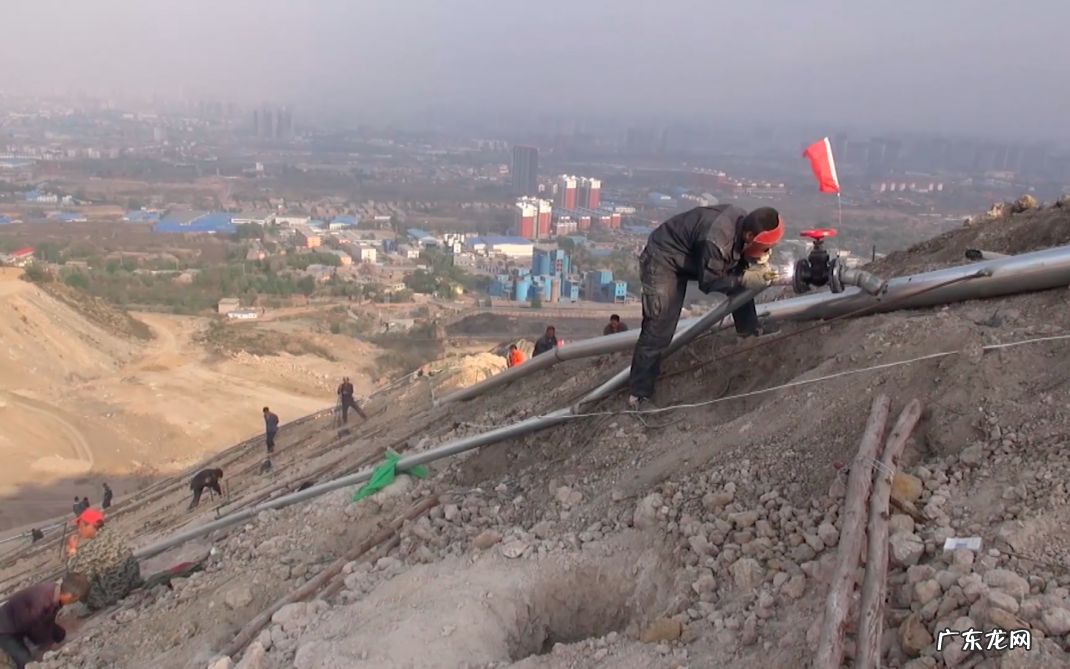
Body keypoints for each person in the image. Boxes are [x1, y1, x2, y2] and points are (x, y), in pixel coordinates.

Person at [628, 205, 784, 410]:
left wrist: (756, 263)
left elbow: (734, 264)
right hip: (663, 258)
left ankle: (749, 331)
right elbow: (710, 282)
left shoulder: (741, 226)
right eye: (765, 248)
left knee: (739, 280)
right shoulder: (717, 242)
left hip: (693, 255)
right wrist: (745, 277)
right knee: (659, 327)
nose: (768, 252)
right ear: (749, 236)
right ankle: (638, 396)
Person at [0, 572, 90, 669]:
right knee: (26, 662)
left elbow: (46, 619)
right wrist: (49, 645)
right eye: (75, 599)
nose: (75, 601)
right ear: (68, 595)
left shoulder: (56, 592)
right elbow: (35, 628)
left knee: (60, 634)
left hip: (27, 620)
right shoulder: (42, 601)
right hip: (6, 627)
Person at [65, 508, 143, 611]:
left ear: (90, 525)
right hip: (131, 582)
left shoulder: (95, 546)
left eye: (80, 527)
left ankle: (97, 604)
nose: (79, 531)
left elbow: (74, 568)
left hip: (114, 592)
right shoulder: (113, 533)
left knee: (74, 582)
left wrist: (72, 551)